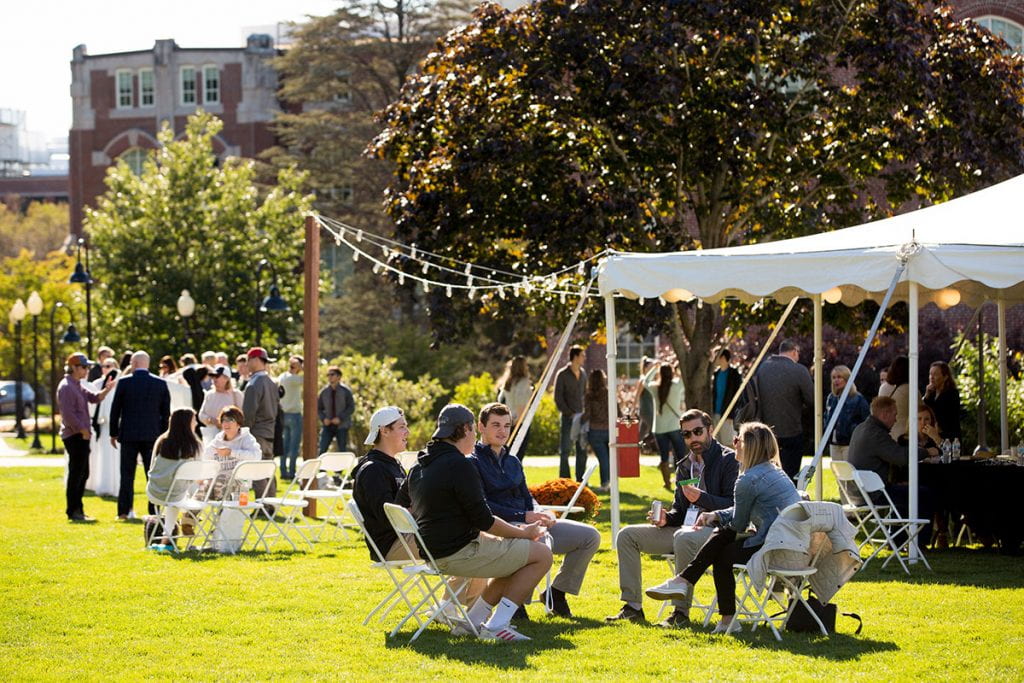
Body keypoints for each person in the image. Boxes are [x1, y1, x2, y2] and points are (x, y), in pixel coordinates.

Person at [396, 404, 553, 642]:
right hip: (459, 552)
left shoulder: (420, 464)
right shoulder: (461, 464)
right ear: (468, 429)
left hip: (432, 551)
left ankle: (473, 621)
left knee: (515, 558)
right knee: (542, 555)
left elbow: (400, 504)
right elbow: (485, 520)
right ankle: (498, 625)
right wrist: (523, 533)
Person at [644, 422, 801, 634]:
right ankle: (714, 608)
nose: (733, 443)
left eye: (738, 440)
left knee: (722, 543)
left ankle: (686, 583)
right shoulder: (775, 471)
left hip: (777, 549)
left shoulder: (747, 479)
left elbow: (738, 524)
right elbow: (740, 511)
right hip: (795, 545)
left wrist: (716, 519)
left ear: (750, 447)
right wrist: (716, 514)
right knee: (722, 545)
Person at [607, 409, 739, 626]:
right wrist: (665, 518)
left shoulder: (728, 460)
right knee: (627, 535)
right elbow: (680, 510)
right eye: (687, 434)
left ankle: (680, 613)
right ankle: (632, 607)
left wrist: (702, 498)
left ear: (710, 430)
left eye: (697, 431)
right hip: (684, 529)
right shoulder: (684, 466)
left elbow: (733, 505)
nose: (693, 438)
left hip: (715, 530)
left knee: (683, 537)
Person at [470, 402, 601, 619]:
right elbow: (483, 506)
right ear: (481, 427)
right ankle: (515, 602)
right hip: (501, 528)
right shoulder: (472, 462)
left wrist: (544, 513)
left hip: (530, 523)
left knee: (590, 536)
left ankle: (557, 592)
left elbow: (526, 496)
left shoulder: (512, 461)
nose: (502, 431)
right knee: (537, 545)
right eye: (495, 425)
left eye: (506, 426)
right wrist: (523, 517)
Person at [847, 397, 934, 537]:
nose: (896, 419)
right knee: (924, 494)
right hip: (873, 494)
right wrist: (928, 452)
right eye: (894, 415)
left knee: (903, 493)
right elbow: (901, 457)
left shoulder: (861, 428)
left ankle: (898, 539)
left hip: (856, 492)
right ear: (884, 414)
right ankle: (920, 543)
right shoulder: (876, 434)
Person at [109, 351, 172, 520]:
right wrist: (164, 434)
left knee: (127, 474)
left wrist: (113, 433)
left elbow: (115, 410)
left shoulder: (124, 383)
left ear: (134, 363)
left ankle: (124, 511)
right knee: (152, 474)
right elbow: (166, 413)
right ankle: (154, 511)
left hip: (129, 435)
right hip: (152, 435)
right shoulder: (160, 383)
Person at [57, 353, 115, 522]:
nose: (87, 370)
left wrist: (106, 389)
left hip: (82, 435)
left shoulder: (77, 384)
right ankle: (73, 511)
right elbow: (67, 414)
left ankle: (78, 509)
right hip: (74, 436)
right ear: (74, 367)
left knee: (83, 473)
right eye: (84, 367)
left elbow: (94, 398)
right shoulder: (66, 386)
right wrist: (82, 430)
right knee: (77, 473)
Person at [351, 406, 413, 560]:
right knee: (460, 541)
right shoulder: (373, 470)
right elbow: (388, 518)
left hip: (408, 536)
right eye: (402, 427)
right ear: (384, 431)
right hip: (392, 545)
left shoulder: (394, 465)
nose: (408, 432)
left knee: (468, 536)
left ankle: (471, 586)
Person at [748, 339, 813, 482]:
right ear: (794, 351)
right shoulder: (799, 370)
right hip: (792, 430)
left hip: (766, 432)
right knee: (789, 475)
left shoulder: (762, 368)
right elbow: (812, 400)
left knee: (769, 476)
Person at [203, 405, 262, 552]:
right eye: (223, 420)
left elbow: (256, 456)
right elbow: (206, 456)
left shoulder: (247, 438)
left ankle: (219, 542)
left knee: (219, 485)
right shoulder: (218, 438)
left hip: (240, 485)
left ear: (238, 423)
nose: (226, 424)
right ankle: (190, 518)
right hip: (220, 485)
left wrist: (231, 452)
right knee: (206, 485)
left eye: (230, 420)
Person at [146, 407, 202, 550]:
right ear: (187, 423)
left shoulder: (162, 441)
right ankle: (189, 520)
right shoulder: (193, 446)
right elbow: (198, 475)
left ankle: (166, 539)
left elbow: (152, 467)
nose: (196, 423)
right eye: (194, 420)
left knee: (175, 497)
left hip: (154, 491)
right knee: (185, 492)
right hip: (176, 495)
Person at [241, 346, 279, 498]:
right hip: (270, 431)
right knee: (268, 469)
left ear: (256, 360)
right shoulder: (271, 382)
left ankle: (263, 505)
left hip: (257, 432)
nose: (247, 364)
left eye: (248, 360)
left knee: (258, 470)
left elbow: (249, 413)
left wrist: (244, 432)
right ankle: (271, 503)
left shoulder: (254, 384)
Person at [643, 360, 686, 491]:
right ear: (672, 373)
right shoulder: (677, 385)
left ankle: (667, 483)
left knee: (664, 457)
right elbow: (683, 376)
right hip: (675, 426)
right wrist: (676, 368)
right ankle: (681, 483)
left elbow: (645, 381)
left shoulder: (655, 387)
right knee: (680, 456)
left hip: (659, 428)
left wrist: (655, 368)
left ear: (660, 373)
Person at [554, 345, 588, 480]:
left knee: (582, 449)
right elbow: (558, 398)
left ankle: (581, 480)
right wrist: (569, 413)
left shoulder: (583, 374)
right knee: (565, 450)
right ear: (575, 357)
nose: (584, 358)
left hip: (582, 418)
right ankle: (565, 480)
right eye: (582, 355)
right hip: (568, 418)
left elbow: (586, 394)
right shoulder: (562, 375)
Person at [823, 365, 871, 462]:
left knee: (849, 473)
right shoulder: (831, 398)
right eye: (834, 377)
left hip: (850, 443)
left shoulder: (857, 399)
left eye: (839, 377)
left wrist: (853, 431)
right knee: (838, 473)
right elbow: (826, 416)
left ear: (847, 378)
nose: (836, 380)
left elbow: (866, 421)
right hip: (834, 442)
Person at [497, 356, 533, 460]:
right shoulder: (523, 382)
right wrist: (518, 421)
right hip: (518, 422)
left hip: (507, 420)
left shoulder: (508, 382)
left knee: (508, 453)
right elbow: (520, 403)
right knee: (517, 455)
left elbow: (500, 400)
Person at [581, 369, 611, 489]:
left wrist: (579, 421)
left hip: (595, 431)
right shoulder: (609, 393)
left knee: (603, 458)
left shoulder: (589, 395)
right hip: (609, 430)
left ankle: (605, 483)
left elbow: (587, 414)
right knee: (609, 459)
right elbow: (617, 410)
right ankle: (609, 482)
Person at [198, 365, 244, 444]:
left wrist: (225, 423)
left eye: (217, 376)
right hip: (211, 437)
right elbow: (201, 415)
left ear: (226, 378)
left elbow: (242, 417)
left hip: (230, 439)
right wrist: (212, 421)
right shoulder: (209, 394)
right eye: (213, 376)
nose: (214, 379)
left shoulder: (236, 395)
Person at [277, 355, 305, 478]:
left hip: (283, 414)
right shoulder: (295, 379)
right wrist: (303, 367)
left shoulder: (282, 376)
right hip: (294, 415)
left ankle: (283, 472)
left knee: (285, 446)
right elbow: (309, 379)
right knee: (294, 446)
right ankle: (292, 472)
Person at [317, 366, 355, 454]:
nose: (329, 377)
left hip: (342, 425)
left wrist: (340, 418)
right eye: (328, 375)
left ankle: (340, 468)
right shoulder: (324, 392)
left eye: (332, 374)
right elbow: (319, 408)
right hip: (327, 425)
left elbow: (351, 407)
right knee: (322, 449)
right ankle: (321, 468)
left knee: (342, 450)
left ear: (339, 376)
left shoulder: (346, 391)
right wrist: (323, 419)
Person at [878, 356, 916, 442]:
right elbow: (921, 410)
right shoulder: (911, 389)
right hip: (905, 436)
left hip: (886, 434)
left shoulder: (883, 388)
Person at [923, 361, 961, 441]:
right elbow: (924, 409)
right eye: (930, 374)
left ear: (945, 377)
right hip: (932, 435)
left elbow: (947, 416)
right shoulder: (931, 393)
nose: (931, 377)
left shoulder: (951, 393)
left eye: (935, 374)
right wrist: (927, 395)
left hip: (949, 437)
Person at [711, 348, 741, 443]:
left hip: (728, 415)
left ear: (723, 358)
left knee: (728, 444)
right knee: (718, 443)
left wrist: (732, 415)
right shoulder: (716, 374)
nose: (714, 359)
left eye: (716, 356)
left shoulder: (734, 374)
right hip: (716, 414)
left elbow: (738, 396)